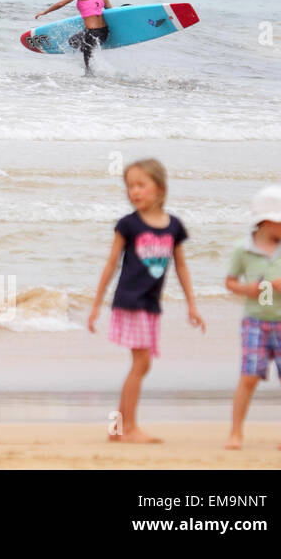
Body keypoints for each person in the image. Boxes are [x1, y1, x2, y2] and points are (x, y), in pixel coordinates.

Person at [88, 158, 203, 443]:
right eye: (129, 186)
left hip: (151, 304)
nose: (134, 192)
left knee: (142, 364)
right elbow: (111, 263)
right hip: (130, 301)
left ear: (160, 188)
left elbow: (181, 266)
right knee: (141, 363)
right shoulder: (128, 225)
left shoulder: (174, 226)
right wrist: (95, 305)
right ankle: (129, 429)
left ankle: (118, 430)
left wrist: (192, 304)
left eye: (141, 185)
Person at [226, 185, 281, 451]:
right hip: (255, 320)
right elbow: (230, 282)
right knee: (249, 377)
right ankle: (235, 432)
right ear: (267, 221)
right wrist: (247, 290)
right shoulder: (243, 249)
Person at [35, 0, 112, 76]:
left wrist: (45, 12)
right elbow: (111, 11)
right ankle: (92, 61)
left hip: (93, 32)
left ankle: (93, 80)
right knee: (73, 41)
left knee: (88, 67)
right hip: (104, 32)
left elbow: (62, 3)